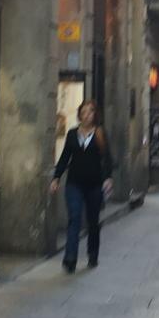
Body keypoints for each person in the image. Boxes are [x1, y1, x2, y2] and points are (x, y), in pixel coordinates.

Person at [50, 100, 114, 272]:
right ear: (79, 115)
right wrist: (56, 177)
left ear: (95, 115)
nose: (87, 115)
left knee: (93, 221)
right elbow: (64, 158)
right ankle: (70, 258)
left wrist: (108, 178)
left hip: (94, 185)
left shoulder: (100, 134)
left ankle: (93, 254)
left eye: (90, 111)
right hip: (74, 184)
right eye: (84, 111)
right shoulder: (72, 134)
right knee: (74, 218)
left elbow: (107, 158)